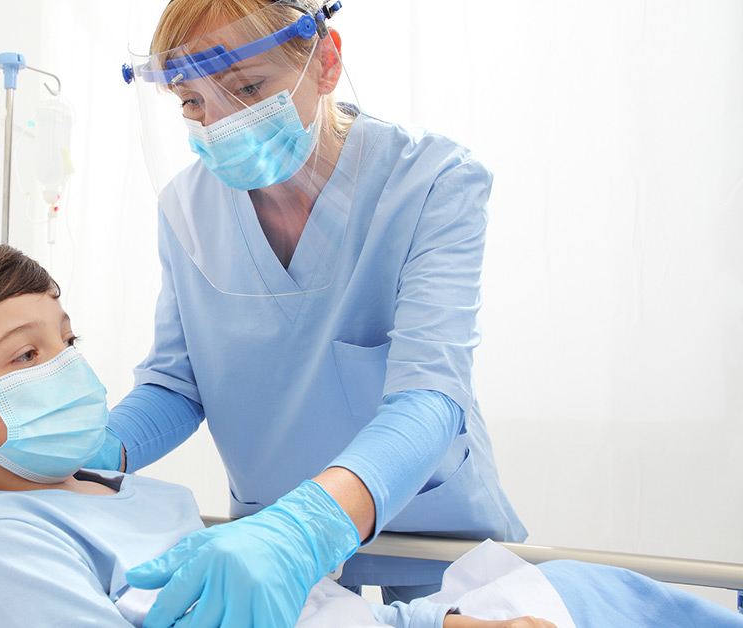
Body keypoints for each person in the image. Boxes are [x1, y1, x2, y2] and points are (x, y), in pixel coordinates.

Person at [0, 240, 743, 628]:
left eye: (68, 342)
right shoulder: (7, 540)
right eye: (26, 356)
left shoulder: (109, 490)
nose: (67, 371)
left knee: (599, 591)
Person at [92, 0, 529, 624]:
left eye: (247, 87)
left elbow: (431, 392)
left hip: (426, 531)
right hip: (272, 547)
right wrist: (91, 454)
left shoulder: (431, 181)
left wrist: (308, 525)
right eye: (192, 103)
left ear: (325, 62)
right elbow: (176, 384)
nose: (220, 124)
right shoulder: (187, 207)